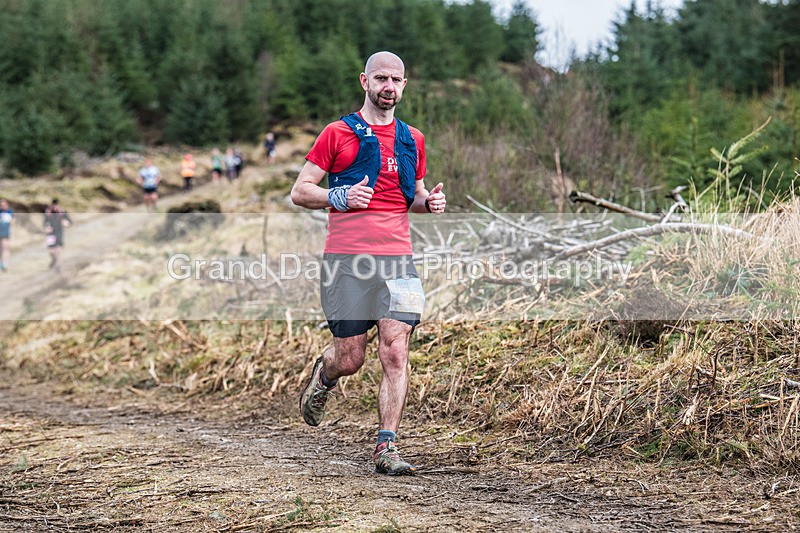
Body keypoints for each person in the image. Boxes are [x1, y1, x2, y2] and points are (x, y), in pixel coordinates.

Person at [291, 51, 446, 476]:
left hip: (398, 261)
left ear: (404, 85)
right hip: (347, 263)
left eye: (396, 80)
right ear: (365, 81)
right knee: (351, 359)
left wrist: (428, 202)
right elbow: (300, 191)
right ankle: (325, 376)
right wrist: (336, 197)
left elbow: (409, 195)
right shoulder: (337, 133)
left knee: (395, 351)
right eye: (381, 78)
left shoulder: (412, 138)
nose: (388, 87)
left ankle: (386, 447)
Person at [44, 199, 72, 272]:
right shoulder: (48, 212)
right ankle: (54, 260)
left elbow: (70, 221)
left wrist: (67, 223)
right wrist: (46, 227)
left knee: (58, 250)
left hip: (59, 232)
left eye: (56, 206)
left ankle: (58, 265)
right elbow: (45, 222)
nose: (55, 207)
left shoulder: (62, 212)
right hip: (50, 234)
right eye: (53, 206)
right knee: (50, 251)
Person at [0, 198, 13, 272]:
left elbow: (12, 222)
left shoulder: (9, 212)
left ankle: (5, 264)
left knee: (5, 248)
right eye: (1, 205)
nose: (2, 206)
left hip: (5, 233)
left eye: (4, 204)